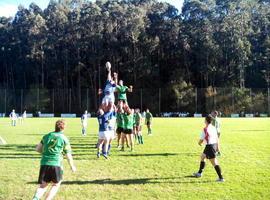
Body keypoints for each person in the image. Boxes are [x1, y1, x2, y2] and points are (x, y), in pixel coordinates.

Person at [32, 119, 76, 200]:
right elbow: (68, 154)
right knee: (56, 185)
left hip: (44, 163)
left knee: (43, 186)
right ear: (63, 128)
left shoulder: (46, 136)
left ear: (55, 127)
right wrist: (72, 166)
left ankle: (35, 198)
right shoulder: (64, 138)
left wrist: (46, 153)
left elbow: (37, 149)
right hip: (56, 164)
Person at [193, 115, 224, 182]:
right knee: (202, 157)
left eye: (205, 119)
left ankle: (221, 178)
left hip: (210, 146)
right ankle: (199, 173)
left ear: (206, 121)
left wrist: (199, 143)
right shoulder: (213, 128)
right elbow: (217, 138)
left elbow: (201, 139)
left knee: (214, 162)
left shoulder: (205, 129)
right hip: (213, 145)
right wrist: (218, 148)